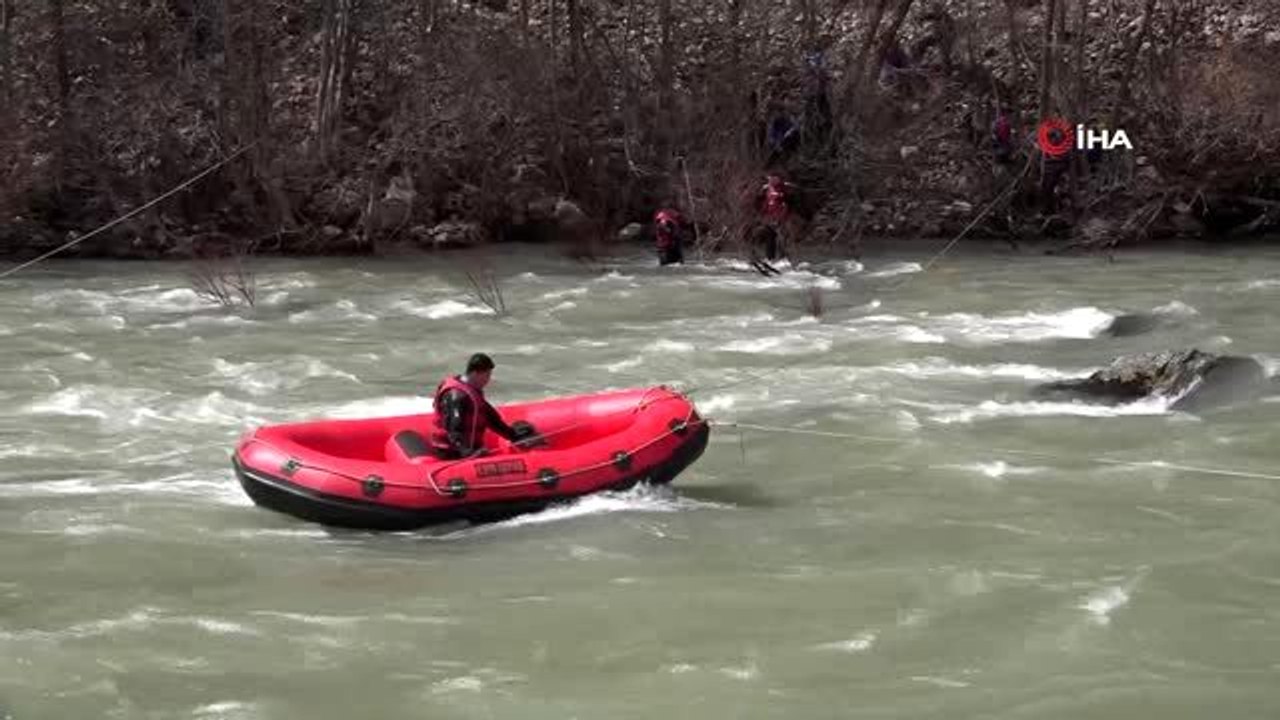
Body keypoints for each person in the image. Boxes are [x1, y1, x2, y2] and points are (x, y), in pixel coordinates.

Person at [429, 353, 521, 460]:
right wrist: (467, 452)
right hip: (451, 451)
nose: (488, 380)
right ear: (475, 373)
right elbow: (454, 430)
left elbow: (492, 419)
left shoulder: (472, 392)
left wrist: (514, 436)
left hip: (469, 448)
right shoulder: (456, 396)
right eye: (487, 375)